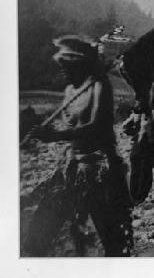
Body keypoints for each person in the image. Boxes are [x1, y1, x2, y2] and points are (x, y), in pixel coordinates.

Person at [24, 35, 133, 257]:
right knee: (39, 232)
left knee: (112, 238)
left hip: (100, 168)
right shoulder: (69, 92)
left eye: (68, 65)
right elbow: (71, 127)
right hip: (71, 167)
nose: (63, 70)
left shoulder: (99, 87)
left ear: (81, 64)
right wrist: (47, 133)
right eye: (61, 65)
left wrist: (55, 135)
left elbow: (97, 128)